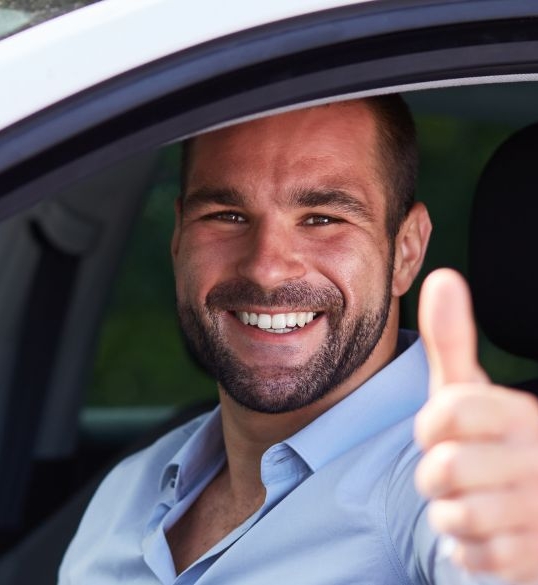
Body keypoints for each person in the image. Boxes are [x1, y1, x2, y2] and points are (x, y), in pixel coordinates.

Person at [58, 96, 538, 584]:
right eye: (226, 215)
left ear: (407, 251)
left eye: (322, 218)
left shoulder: (447, 486)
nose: (266, 268)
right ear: (179, 237)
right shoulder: (129, 490)